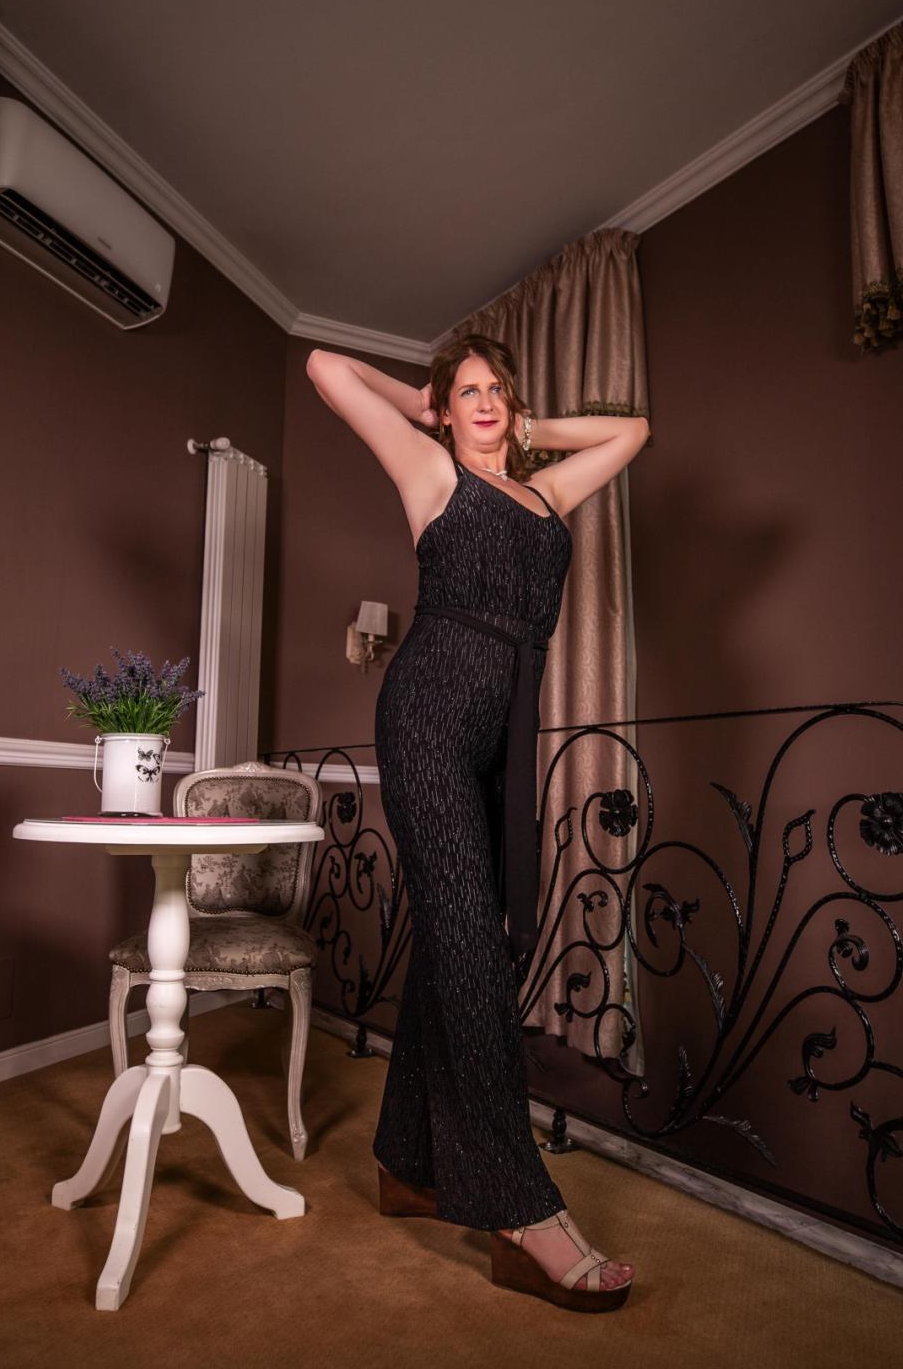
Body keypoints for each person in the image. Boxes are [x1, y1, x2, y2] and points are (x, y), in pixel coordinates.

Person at [305, 335, 650, 1312]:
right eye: (469, 392)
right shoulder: (432, 474)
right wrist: (420, 401)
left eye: (497, 390)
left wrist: (528, 425)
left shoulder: (546, 495)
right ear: (445, 410)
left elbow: (632, 431)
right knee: (469, 952)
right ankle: (519, 1208)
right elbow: (325, 367)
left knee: (463, 944)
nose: (485, 403)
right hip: (427, 721)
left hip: (505, 736)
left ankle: (407, 1161)